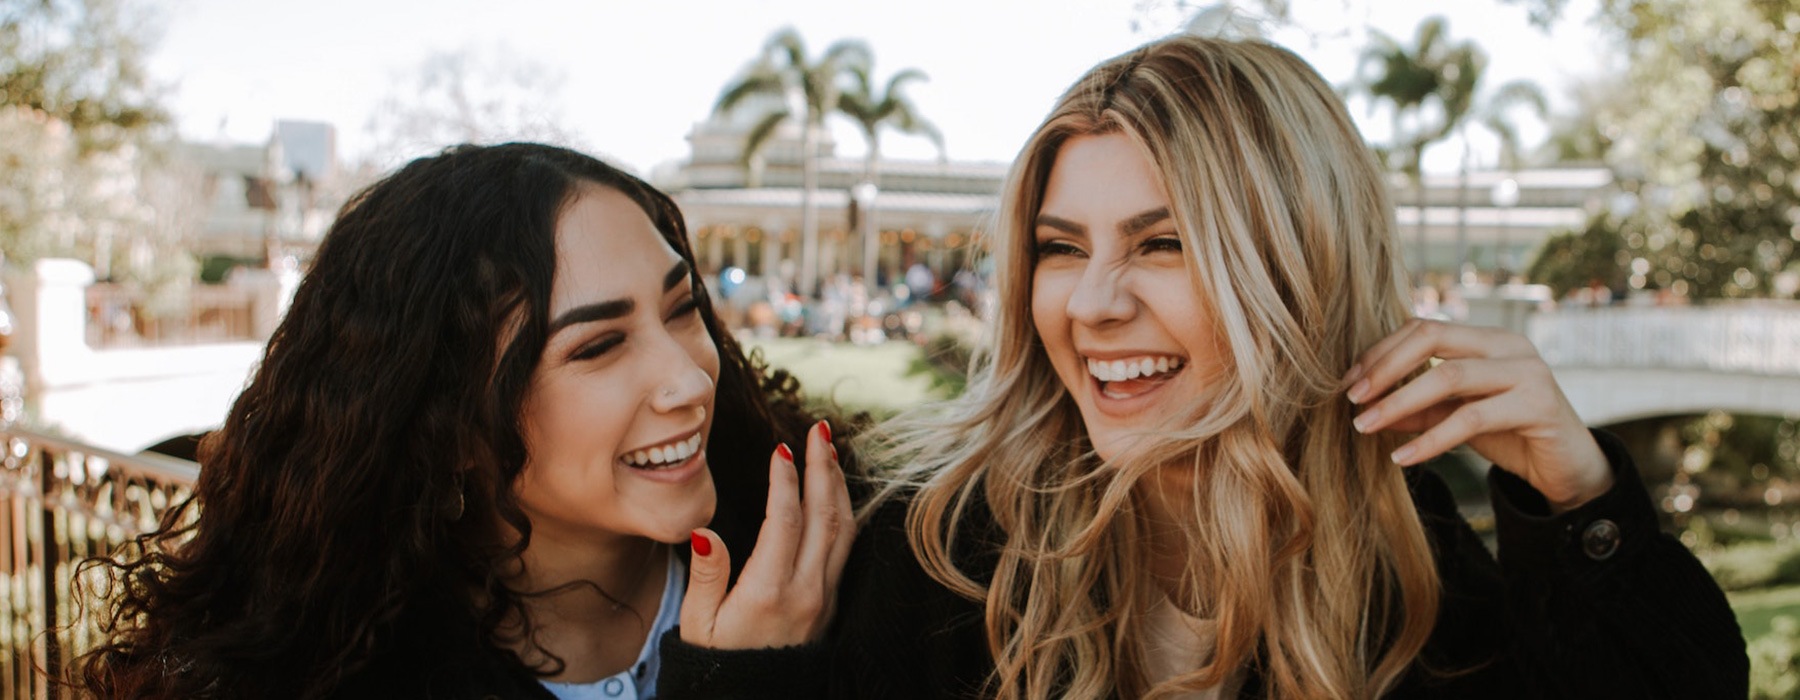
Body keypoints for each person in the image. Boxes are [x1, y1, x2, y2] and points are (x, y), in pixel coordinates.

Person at [827, 36, 1746, 699]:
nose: (1094, 304)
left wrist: (1583, 510)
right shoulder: (937, 552)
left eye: (1165, 243)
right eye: (1061, 249)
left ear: (1301, 268)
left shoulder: (1409, 555)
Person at [70, 143, 854, 700]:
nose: (689, 375)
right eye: (600, 346)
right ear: (442, 419)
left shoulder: (851, 570)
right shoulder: (322, 670)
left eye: (682, 309)